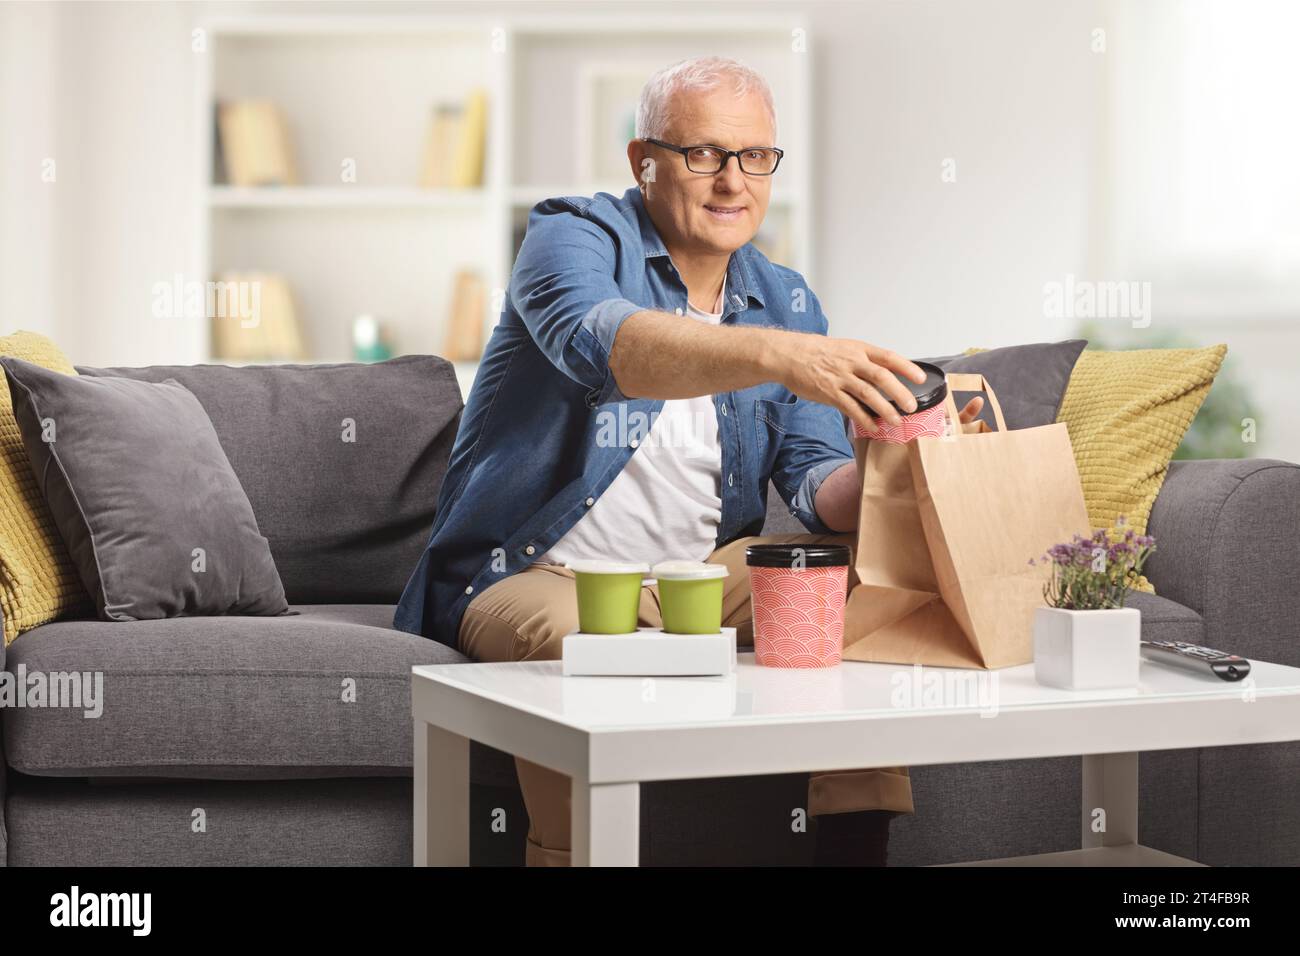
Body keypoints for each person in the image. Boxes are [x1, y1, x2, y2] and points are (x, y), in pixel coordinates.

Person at [395, 55, 983, 866]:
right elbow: (611, 349)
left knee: (859, 589)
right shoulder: (573, 235)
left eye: (755, 157)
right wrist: (783, 358)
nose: (731, 182)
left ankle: (855, 847)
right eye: (703, 154)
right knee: (593, 646)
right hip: (531, 574)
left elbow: (817, 491)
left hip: (696, 580)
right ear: (644, 162)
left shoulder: (785, 296)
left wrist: (896, 461)